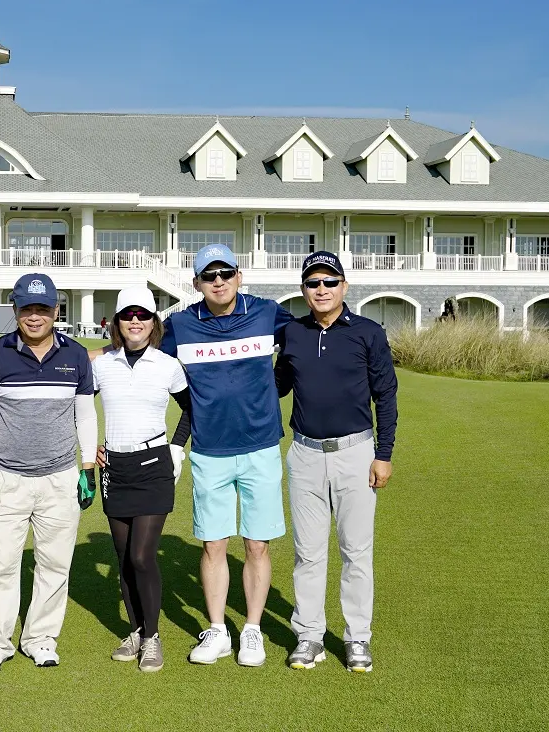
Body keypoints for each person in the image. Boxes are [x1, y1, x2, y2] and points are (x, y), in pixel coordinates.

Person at [161, 243, 294, 667]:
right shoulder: (180, 324)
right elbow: (142, 357)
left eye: (225, 273)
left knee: (256, 545)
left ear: (239, 276)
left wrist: (276, 387)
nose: (218, 282)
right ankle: (218, 630)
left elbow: (302, 345)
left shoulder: (267, 313)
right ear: (196, 282)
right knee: (214, 544)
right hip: (209, 450)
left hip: (261, 446)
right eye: (209, 275)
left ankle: (252, 629)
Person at [0, 272, 98, 673]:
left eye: (43, 308)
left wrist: (88, 467)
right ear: (16, 310)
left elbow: (85, 415)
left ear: (56, 310)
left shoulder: (76, 355)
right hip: (6, 478)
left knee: (54, 565)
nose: (35, 316)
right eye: (27, 309)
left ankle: (40, 638)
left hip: (61, 478)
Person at [274, 251, 398, 673]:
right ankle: (309, 636)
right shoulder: (293, 333)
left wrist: (384, 454)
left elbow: (386, 396)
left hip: (356, 454)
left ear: (344, 286)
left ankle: (357, 638)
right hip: (305, 454)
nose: (321, 289)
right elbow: (278, 385)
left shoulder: (368, 333)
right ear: (304, 289)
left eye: (330, 281)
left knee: (356, 552)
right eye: (313, 283)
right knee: (307, 554)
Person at [89, 285, 193, 673]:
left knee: (141, 556)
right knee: (123, 558)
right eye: (128, 315)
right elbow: (79, 407)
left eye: (143, 315)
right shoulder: (102, 365)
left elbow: (191, 409)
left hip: (153, 466)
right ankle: (135, 630)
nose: (136, 321)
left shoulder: (168, 365)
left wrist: (176, 447)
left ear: (154, 322)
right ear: (117, 322)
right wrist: (89, 446)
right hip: (114, 467)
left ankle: (152, 637)